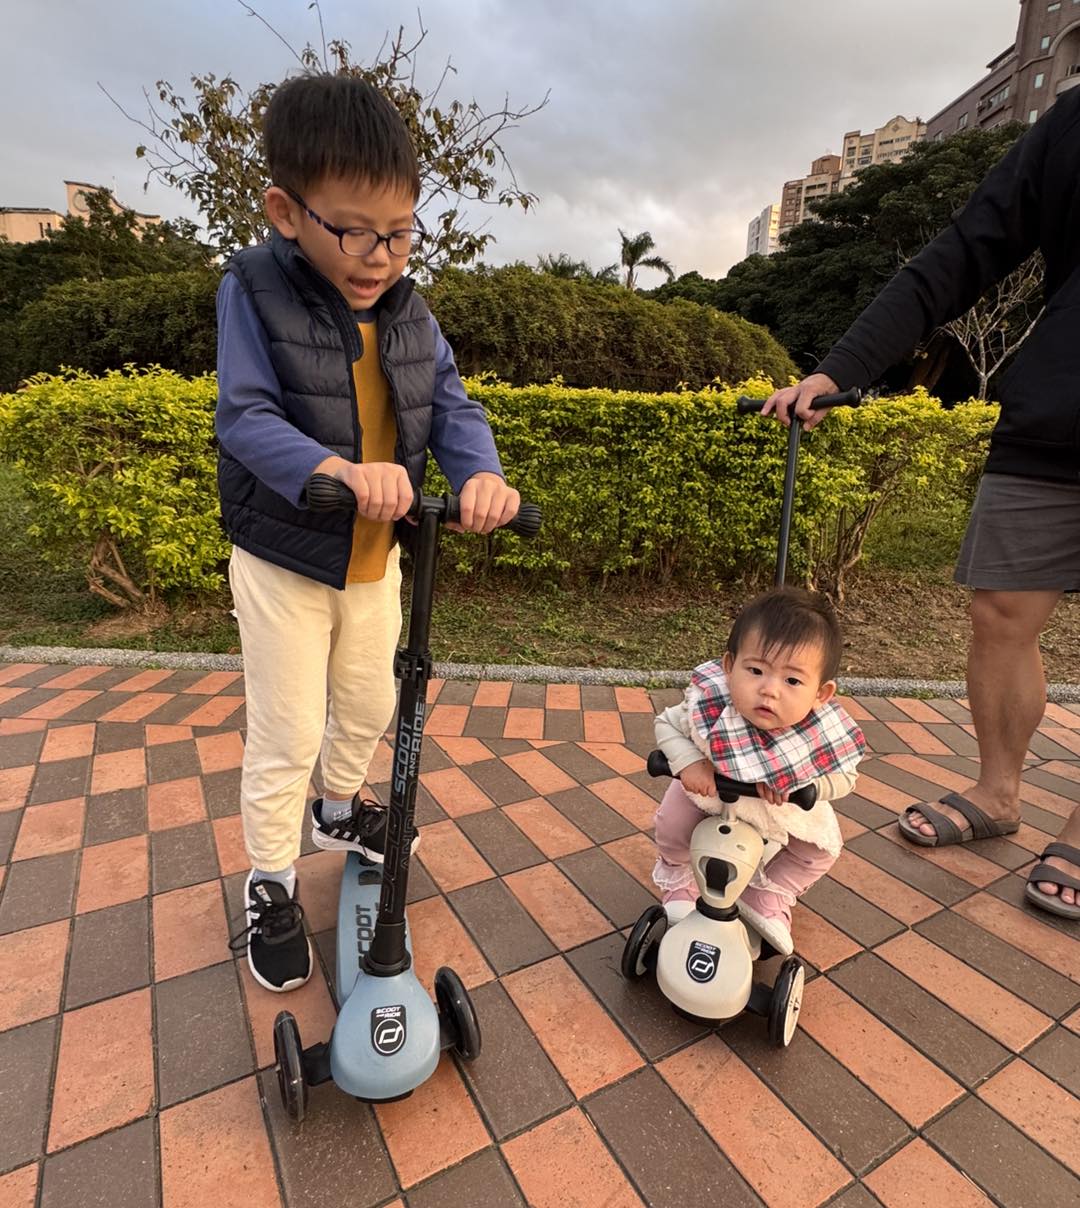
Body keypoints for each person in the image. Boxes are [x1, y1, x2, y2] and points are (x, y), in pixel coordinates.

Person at [215, 73, 520, 992]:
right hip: (285, 560)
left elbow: (453, 405)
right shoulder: (252, 290)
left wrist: (481, 475)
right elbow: (244, 414)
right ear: (285, 209)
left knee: (368, 703)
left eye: (399, 231)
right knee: (288, 725)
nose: (379, 255)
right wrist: (339, 473)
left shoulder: (409, 312)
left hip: (375, 562)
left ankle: (339, 810)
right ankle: (270, 879)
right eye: (354, 231)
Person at [764, 88, 1080, 920]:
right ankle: (999, 791)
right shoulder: (1071, 124)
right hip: (1056, 411)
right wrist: (841, 370)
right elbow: (961, 253)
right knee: (1001, 613)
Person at [652, 587, 866, 954]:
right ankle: (679, 878)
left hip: (781, 803)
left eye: (792, 681)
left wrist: (806, 784)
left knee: (818, 852)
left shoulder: (819, 729)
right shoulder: (713, 705)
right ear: (728, 666)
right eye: (755, 670)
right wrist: (689, 761)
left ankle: (767, 896)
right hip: (710, 792)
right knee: (673, 821)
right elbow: (666, 724)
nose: (769, 691)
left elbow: (847, 776)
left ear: (821, 693)